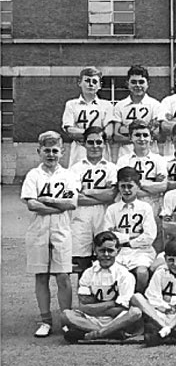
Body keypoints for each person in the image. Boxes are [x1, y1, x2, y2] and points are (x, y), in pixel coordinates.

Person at [21, 131, 78, 337]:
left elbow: (71, 203)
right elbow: (31, 204)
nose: (51, 155)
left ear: (61, 152)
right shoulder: (33, 175)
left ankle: (67, 319)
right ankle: (45, 320)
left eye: (55, 150)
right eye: (47, 150)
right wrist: (57, 205)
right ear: (39, 152)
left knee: (63, 276)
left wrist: (49, 201)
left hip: (62, 231)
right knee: (41, 276)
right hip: (38, 231)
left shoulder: (68, 175)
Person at [61, 232, 142, 343]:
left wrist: (95, 307)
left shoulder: (124, 275)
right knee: (66, 315)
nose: (106, 254)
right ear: (95, 250)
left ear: (117, 251)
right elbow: (84, 305)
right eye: (102, 250)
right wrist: (112, 303)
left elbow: (121, 308)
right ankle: (111, 333)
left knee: (135, 313)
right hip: (92, 320)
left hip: (118, 319)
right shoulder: (88, 273)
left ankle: (97, 334)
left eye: (110, 250)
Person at [131, 237, 176, 346]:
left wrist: (173, 301)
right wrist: (165, 307)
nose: (175, 264)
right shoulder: (160, 271)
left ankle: (162, 333)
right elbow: (152, 297)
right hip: (162, 313)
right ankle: (168, 330)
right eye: (171, 260)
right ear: (165, 258)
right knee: (137, 297)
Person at [69, 127, 118, 274]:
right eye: (91, 142)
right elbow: (74, 197)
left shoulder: (111, 168)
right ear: (84, 144)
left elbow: (111, 195)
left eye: (99, 142)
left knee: (104, 258)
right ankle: (84, 295)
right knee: (82, 264)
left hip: (103, 216)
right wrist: (101, 196)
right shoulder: (75, 168)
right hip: (80, 217)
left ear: (104, 144)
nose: (95, 146)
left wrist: (87, 192)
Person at [102, 167, 157, 293]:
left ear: (138, 186)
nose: (126, 190)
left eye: (130, 186)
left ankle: (139, 299)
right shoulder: (112, 209)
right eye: (123, 186)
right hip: (120, 251)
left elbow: (149, 236)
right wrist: (131, 237)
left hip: (141, 251)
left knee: (142, 272)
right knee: (114, 272)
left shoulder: (145, 208)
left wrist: (122, 238)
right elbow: (107, 236)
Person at [116, 121, 168, 251]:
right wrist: (151, 184)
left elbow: (162, 186)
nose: (142, 139)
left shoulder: (159, 159)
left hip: (154, 204)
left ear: (151, 138)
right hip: (130, 205)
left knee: (154, 241)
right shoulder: (124, 160)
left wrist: (137, 184)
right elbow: (123, 189)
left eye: (145, 135)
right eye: (137, 135)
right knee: (132, 238)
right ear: (131, 138)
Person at [62, 66, 115, 166]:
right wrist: (95, 135)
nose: (91, 84)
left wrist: (83, 135)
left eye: (94, 82)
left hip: (100, 152)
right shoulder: (71, 104)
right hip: (78, 152)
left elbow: (108, 133)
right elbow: (70, 130)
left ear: (100, 85)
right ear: (79, 83)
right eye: (87, 81)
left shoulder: (107, 105)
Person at [112, 65, 164, 160]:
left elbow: (156, 133)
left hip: (150, 155)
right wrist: (145, 132)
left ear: (147, 83)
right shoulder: (120, 106)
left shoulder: (156, 105)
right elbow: (116, 135)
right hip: (126, 155)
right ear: (128, 84)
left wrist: (126, 129)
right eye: (133, 82)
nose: (138, 85)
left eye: (141, 82)